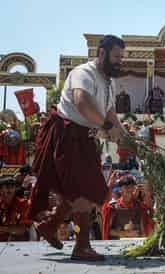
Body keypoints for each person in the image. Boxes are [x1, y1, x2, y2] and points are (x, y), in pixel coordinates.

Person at [28, 35, 130, 261]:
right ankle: (81, 246)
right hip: (68, 135)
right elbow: (81, 101)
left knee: (87, 190)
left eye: (121, 57)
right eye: (116, 57)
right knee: (84, 191)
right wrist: (105, 126)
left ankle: (50, 225)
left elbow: (110, 113)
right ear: (101, 53)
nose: (119, 61)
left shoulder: (108, 82)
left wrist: (124, 137)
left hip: (84, 138)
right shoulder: (83, 73)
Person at [101, 175, 141, 240]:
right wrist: (125, 233)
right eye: (126, 187)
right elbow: (107, 231)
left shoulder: (139, 206)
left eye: (131, 187)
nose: (129, 189)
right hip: (116, 244)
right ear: (120, 190)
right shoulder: (112, 208)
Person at [0, 175, 31, 241]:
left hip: (18, 244)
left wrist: (4, 229)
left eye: (13, 186)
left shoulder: (23, 204)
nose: (10, 189)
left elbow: (22, 230)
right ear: (0, 190)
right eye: (7, 187)